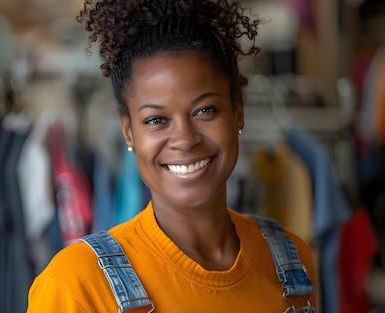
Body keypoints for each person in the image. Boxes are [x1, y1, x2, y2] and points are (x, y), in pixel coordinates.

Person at [26, 0, 318, 312]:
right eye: (156, 120)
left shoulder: (292, 262)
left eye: (205, 110)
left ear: (238, 113)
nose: (184, 139)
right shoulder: (76, 286)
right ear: (129, 133)